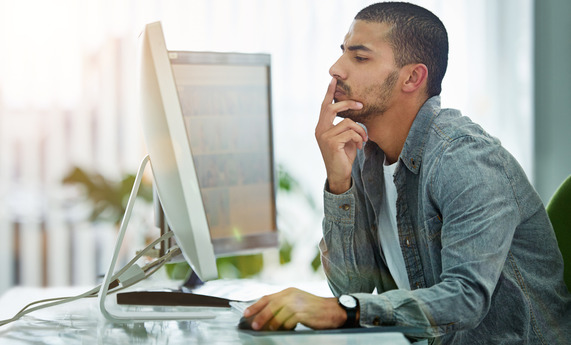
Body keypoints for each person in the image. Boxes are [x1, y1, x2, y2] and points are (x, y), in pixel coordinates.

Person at [243, 2, 571, 343]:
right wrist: (339, 183)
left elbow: (465, 299)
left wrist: (342, 310)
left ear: (412, 77)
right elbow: (350, 287)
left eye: (360, 57)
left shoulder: (464, 158)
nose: (335, 68)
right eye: (343, 53)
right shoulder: (365, 155)